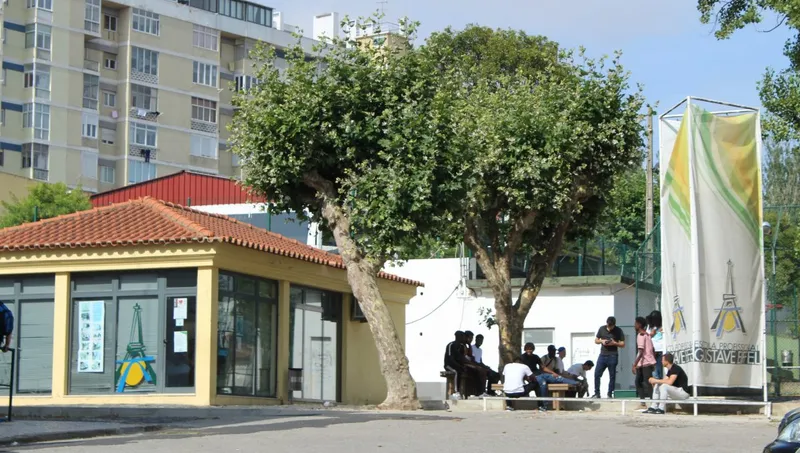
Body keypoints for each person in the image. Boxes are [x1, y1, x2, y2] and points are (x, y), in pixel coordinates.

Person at [535, 345, 579, 411]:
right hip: (544, 376)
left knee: (561, 379)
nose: (554, 352)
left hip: (552, 376)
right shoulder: (544, 358)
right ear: (549, 351)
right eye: (552, 351)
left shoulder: (555, 359)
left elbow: (557, 370)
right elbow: (542, 368)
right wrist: (553, 373)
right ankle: (545, 405)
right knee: (544, 385)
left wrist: (561, 374)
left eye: (555, 351)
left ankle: (575, 383)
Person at [594, 316, 625, 399]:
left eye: (611, 326)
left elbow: (622, 344)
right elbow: (596, 340)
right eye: (608, 326)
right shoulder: (602, 329)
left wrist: (615, 343)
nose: (610, 328)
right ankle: (597, 393)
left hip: (613, 355)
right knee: (597, 374)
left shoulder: (618, 330)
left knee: (612, 375)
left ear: (614, 324)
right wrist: (602, 341)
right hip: (603, 354)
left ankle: (610, 393)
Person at [633, 316, 657, 409]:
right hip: (647, 362)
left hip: (644, 362)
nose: (634, 325)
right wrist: (653, 360)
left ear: (639, 324)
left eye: (635, 323)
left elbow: (641, 351)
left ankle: (649, 403)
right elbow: (653, 349)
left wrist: (635, 364)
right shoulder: (647, 335)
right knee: (644, 382)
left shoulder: (641, 335)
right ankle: (648, 402)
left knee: (642, 382)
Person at [520, 343, 546, 410]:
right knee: (539, 384)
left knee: (543, 381)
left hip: (535, 373)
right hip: (526, 374)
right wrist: (526, 377)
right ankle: (542, 404)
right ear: (525, 349)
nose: (529, 350)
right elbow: (520, 369)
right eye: (527, 349)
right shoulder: (522, 357)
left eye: (531, 349)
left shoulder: (536, 357)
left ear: (533, 349)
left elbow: (542, 367)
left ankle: (542, 403)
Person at [462, 331, 488, 397]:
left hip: (475, 365)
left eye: (482, 340)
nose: (480, 342)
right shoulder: (470, 347)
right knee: (482, 372)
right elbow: (471, 359)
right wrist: (477, 366)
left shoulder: (480, 350)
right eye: (470, 338)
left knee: (493, 374)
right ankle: (481, 392)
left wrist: (486, 366)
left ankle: (490, 392)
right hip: (469, 365)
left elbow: (480, 361)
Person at [444, 331, 468, 399]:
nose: (463, 338)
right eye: (462, 336)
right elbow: (450, 358)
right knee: (456, 372)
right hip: (449, 365)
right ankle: (455, 392)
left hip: (458, 365)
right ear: (457, 337)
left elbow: (462, 358)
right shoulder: (451, 345)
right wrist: (458, 365)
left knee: (463, 371)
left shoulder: (462, 346)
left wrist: (463, 366)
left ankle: (463, 392)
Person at [647, 311, 665, 379]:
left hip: (660, 350)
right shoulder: (650, 327)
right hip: (652, 351)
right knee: (654, 371)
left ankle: (659, 383)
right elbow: (646, 337)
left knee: (659, 370)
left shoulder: (663, 325)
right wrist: (652, 334)